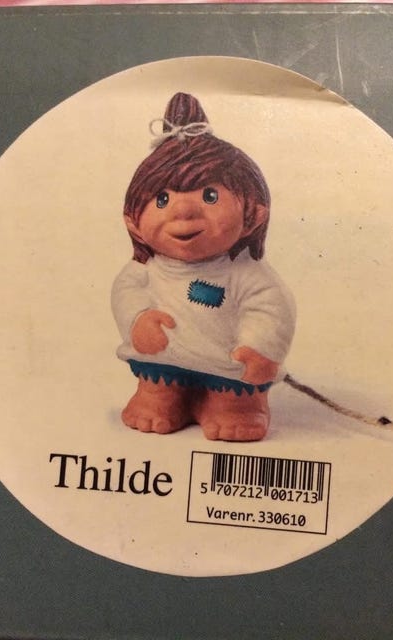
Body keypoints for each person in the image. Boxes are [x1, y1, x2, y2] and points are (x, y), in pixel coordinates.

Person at [111, 92, 296, 441]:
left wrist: (260, 346)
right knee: (158, 388)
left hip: (228, 367)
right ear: (133, 221)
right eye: (162, 199)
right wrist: (137, 320)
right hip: (163, 361)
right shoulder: (145, 270)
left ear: (253, 213)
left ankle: (238, 408)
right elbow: (126, 292)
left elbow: (270, 308)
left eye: (209, 196)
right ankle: (161, 399)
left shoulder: (246, 275)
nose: (183, 212)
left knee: (234, 398)